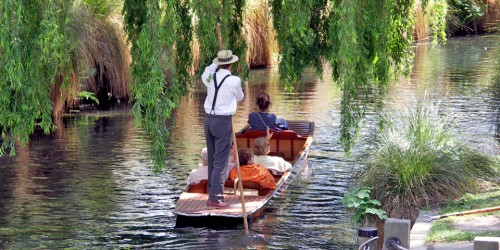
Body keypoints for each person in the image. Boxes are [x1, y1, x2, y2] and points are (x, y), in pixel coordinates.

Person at [202, 49, 244, 207]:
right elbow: (240, 97)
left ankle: (212, 190)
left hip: (208, 121)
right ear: (231, 64)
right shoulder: (234, 80)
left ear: (219, 63)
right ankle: (215, 198)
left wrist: (214, 64)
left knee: (213, 157)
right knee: (221, 160)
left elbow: (207, 71)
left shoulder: (209, 77)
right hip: (222, 122)